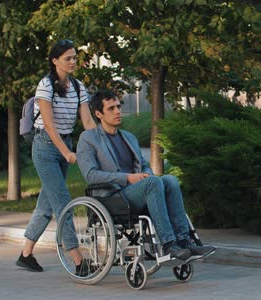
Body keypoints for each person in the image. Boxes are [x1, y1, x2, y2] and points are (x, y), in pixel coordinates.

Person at [76, 89, 215, 261]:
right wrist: (127, 178)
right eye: (111, 108)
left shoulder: (129, 137)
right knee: (153, 183)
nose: (118, 111)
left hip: (136, 191)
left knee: (169, 180)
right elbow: (91, 175)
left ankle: (185, 241)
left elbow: (143, 165)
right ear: (98, 114)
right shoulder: (88, 139)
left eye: (119, 106)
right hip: (112, 197)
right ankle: (168, 244)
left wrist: (147, 174)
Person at [16, 39, 96, 274]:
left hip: (66, 143)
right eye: (67, 58)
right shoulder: (45, 86)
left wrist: (100, 145)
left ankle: (26, 254)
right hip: (45, 147)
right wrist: (66, 153)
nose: (73, 62)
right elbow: (49, 125)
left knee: (47, 204)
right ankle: (78, 259)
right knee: (62, 201)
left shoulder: (79, 87)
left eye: (74, 57)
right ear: (55, 61)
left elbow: (88, 121)